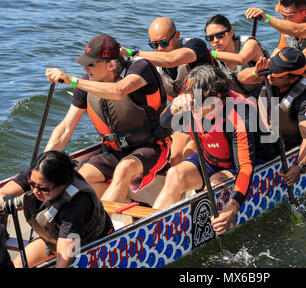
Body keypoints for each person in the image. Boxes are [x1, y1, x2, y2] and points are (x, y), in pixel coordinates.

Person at [44, 34, 170, 203]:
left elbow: (119, 91)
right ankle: (128, 206)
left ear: (110, 65)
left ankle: (106, 226)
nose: (84, 70)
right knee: (77, 180)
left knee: (124, 168)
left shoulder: (140, 68)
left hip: (152, 148)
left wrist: (71, 81)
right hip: (114, 152)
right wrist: (42, 164)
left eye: (90, 64)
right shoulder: (85, 85)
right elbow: (65, 129)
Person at [154, 65, 259, 235]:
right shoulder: (192, 96)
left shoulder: (239, 117)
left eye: (196, 104)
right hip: (211, 159)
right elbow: (164, 123)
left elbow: (245, 169)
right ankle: (155, 231)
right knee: (174, 174)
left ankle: (200, 227)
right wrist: (174, 108)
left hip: (236, 166)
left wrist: (232, 208)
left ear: (217, 98)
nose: (190, 108)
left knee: (215, 181)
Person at [120, 17, 214, 166]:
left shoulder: (195, 46)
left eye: (164, 43)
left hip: (213, 113)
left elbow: (171, 59)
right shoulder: (153, 62)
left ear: (177, 35)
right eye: (154, 44)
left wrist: (133, 53)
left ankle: (199, 183)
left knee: (190, 151)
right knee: (175, 158)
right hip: (186, 116)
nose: (159, 49)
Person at [0, 151, 114, 268]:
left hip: (89, 243)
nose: (35, 191)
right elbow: (2, 192)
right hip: (53, 240)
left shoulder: (77, 203)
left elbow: (65, 254)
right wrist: (5, 200)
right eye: (32, 184)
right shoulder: (37, 174)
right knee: (18, 265)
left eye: (43, 188)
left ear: (62, 185)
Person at [239, 47, 306, 185]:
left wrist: (299, 166)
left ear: (292, 78)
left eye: (275, 74)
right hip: (275, 132)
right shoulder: (272, 78)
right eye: (270, 70)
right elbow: (242, 78)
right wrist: (256, 72)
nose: (268, 76)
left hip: (295, 140)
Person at [204, 14, 270, 98]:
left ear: (231, 33)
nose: (216, 40)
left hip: (265, 95)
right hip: (239, 102)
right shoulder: (214, 59)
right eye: (210, 38)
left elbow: (241, 59)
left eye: (220, 35)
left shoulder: (250, 44)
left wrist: (210, 53)